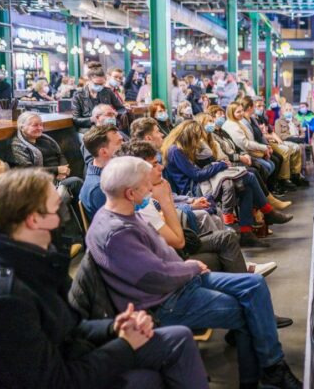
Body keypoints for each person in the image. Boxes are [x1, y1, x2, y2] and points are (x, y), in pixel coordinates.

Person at [0, 169, 208, 388]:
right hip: (64, 373)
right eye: (57, 209)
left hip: (72, 354)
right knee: (144, 379)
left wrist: (114, 328)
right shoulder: (0, 299)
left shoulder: (31, 261)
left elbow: (68, 324)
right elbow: (56, 381)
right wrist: (126, 345)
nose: (63, 218)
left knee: (178, 339)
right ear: (34, 220)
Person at [86, 156, 302, 389]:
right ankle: (266, 372)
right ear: (130, 193)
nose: (150, 188)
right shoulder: (116, 232)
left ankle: (271, 368)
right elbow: (154, 278)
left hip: (180, 282)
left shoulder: (124, 214)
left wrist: (187, 268)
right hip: (165, 301)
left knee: (255, 283)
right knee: (247, 311)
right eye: (144, 185)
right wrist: (190, 267)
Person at [116, 140, 278, 277]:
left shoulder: (145, 195)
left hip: (172, 239)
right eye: (155, 164)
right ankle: (239, 269)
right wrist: (173, 204)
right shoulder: (142, 202)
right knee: (218, 205)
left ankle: (245, 248)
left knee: (243, 184)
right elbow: (177, 241)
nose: (161, 168)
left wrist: (184, 202)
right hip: (169, 260)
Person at [161, 121, 292, 248]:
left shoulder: (178, 149)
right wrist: (220, 166)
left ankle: (247, 233)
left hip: (199, 185)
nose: (197, 142)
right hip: (194, 190)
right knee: (249, 176)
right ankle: (268, 212)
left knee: (246, 188)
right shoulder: (175, 151)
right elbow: (196, 175)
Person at [196, 112, 291, 210]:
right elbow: (219, 158)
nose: (213, 123)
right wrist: (238, 158)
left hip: (227, 163)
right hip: (223, 167)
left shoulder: (220, 133)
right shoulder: (205, 140)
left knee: (261, 167)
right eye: (210, 121)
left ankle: (261, 207)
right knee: (253, 171)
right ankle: (266, 205)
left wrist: (243, 154)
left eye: (212, 120)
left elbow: (235, 147)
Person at [80, 125, 124, 219]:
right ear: (104, 152)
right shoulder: (99, 188)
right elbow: (121, 223)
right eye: (119, 143)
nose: (124, 145)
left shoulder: (111, 172)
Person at [71, 62, 125, 132]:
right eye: (96, 84)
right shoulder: (78, 95)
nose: (100, 86)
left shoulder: (107, 91)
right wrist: (91, 119)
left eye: (102, 84)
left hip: (108, 126)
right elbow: (76, 119)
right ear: (89, 80)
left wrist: (116, 114)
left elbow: (121, 109)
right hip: (88, 129)